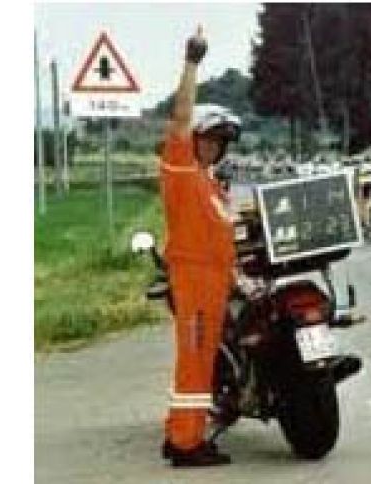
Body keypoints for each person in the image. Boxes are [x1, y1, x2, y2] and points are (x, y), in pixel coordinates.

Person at [158, 26, 243, 467]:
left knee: (202, 358)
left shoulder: (212, 184)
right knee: (194, 360)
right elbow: (180, 117)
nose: (212, 147)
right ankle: (187, 445)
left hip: (214, 281)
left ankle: (179, 432)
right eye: (207, 140)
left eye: (218, 143)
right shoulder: (180, 168)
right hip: (193, 278)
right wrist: (192, 63)